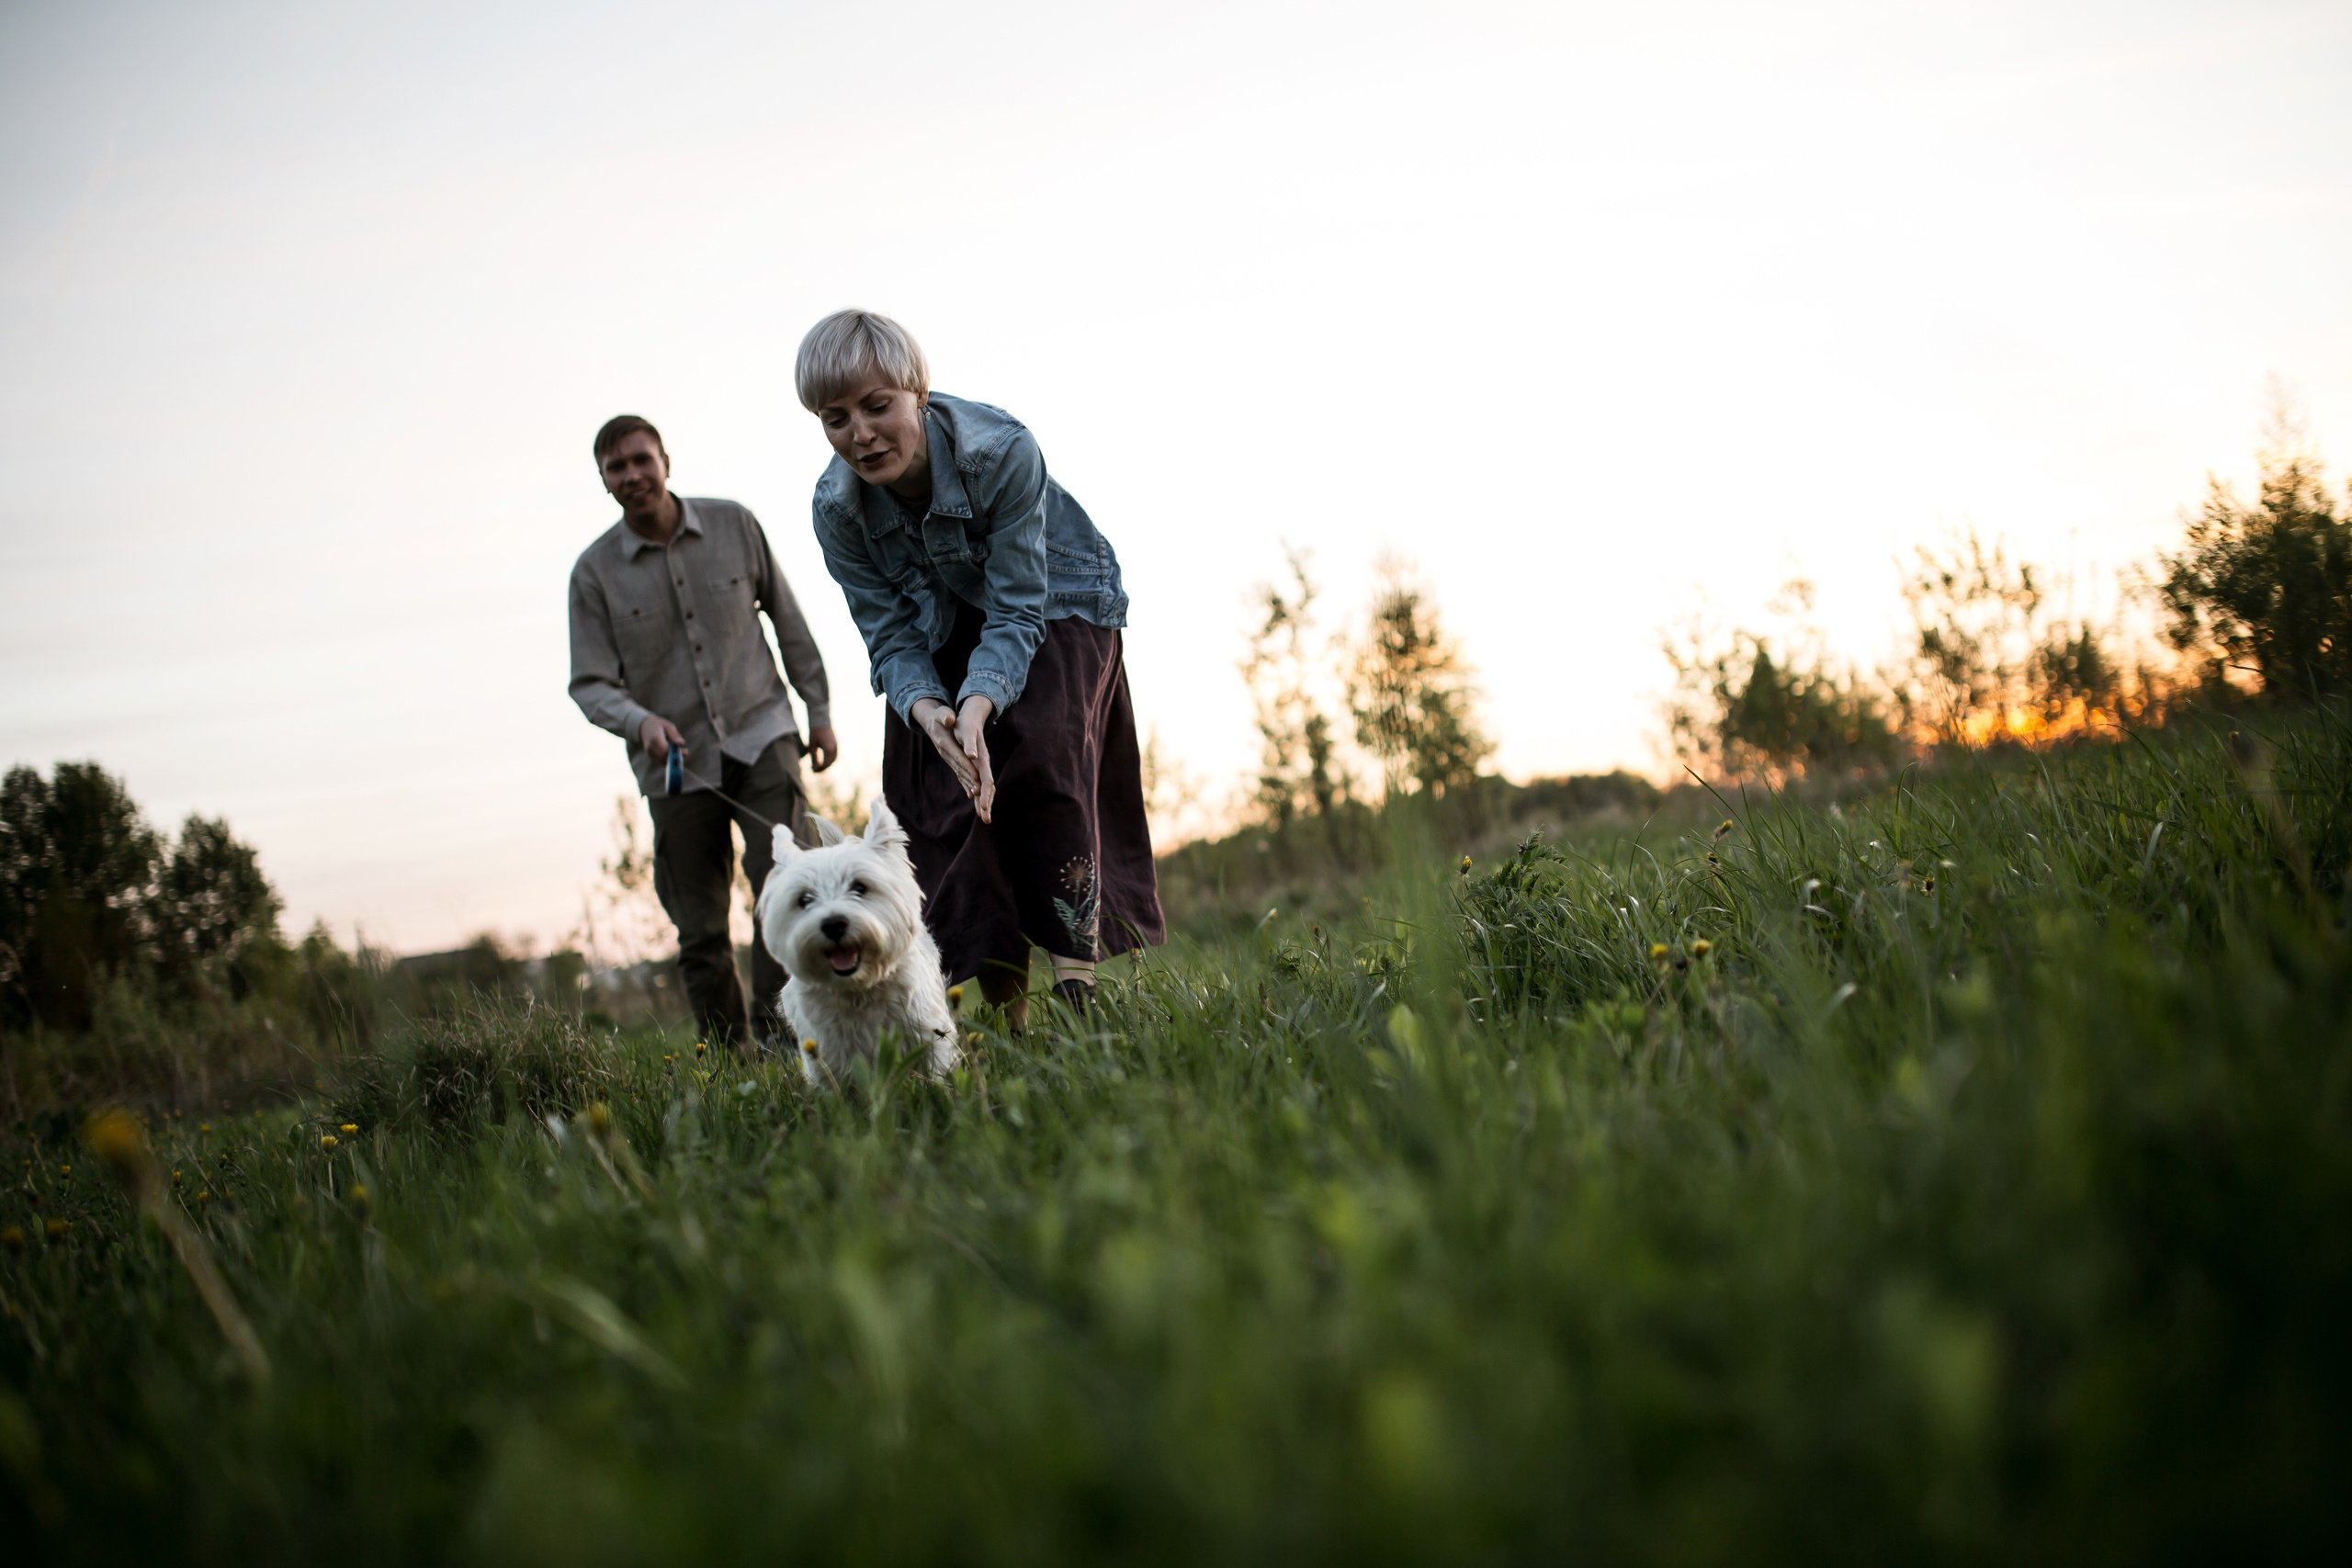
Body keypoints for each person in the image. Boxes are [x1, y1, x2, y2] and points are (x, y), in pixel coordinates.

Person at [796, 310, 1163, 1030]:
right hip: (936, 617)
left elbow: (1018, 608)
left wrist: (981, 703)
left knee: (1040, 751)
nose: (860, 434)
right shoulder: (836, 509)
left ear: (919, 394)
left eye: (878, 407)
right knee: (936, 791)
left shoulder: (1001, 452)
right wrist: (931, 711)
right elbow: (888, 631)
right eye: (836, 418)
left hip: (1056, 593)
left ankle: (1077, 995)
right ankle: (1011, 1019)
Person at [568, 413, 838, 1051]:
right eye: (617, 467)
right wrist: (640, 721)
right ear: (604, 481)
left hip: (762, 733)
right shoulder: (593, 573)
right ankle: (733, 1061)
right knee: (700, 928)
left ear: (665, 459)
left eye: (641, 459)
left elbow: (788, 620)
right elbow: (590, 683)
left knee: (785, 887)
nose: (632, 475)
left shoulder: (735, 524)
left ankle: (788, 1043)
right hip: (675, 765)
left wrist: (818, 708)